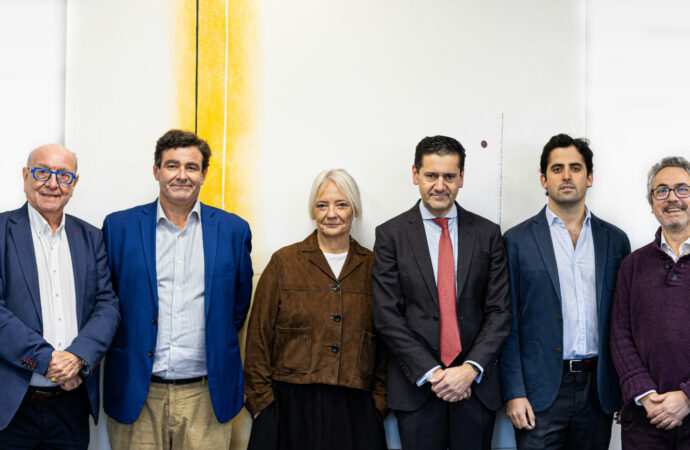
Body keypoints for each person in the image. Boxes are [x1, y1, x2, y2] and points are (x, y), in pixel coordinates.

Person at [102, 129, 253, 449]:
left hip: (206, 395)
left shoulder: (233, 230)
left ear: (204, 175)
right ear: (156, 170)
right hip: (138, 392)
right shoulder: (119, 228)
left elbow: (238, 307)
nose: (181, 175)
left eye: (191, 167)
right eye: (172, 165)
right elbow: (106, 303)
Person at [372, 135, 512, 450]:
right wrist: (433, 373)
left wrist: (470, 369)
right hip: (417, 389)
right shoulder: (391, 235)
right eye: (431, 175)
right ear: (415, 175)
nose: (440, 185)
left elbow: (499, 312)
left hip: (475, 390)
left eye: (449, 176)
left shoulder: (488, 234)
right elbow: (387, 316)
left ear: (461, 177)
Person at [500, 133, 630, 449]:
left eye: (576, 167)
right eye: (557, 169)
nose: (567, 176)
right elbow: (507, 322)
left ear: (590, 177)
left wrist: (625, 387)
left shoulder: (615, 240)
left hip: (598, 389)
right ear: (544, 180)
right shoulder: (516, 241)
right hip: (539, 392)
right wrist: (514, 392)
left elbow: (624, 322)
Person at [244, 169, 387, 450]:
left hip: (355, 409)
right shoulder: (284, 263)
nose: (331, 214)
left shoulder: (375, 267)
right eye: (322, 205)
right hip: (289, 408)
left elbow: (387, 341)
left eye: (341, 204)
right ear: (313, 210)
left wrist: (379, 403)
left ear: (355, 210)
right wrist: (262, 404)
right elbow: (258, 338)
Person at [0, 145, 120, 448]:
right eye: (42, 172)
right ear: (25, 176)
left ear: (74, 183)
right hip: (12, 406)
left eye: (63, 176)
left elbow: (107, 306)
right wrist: (47, 360)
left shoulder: (91, 237)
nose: (52, 183)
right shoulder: (1, 231)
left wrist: (77, 357)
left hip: (71, 402)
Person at [610, 156, 690, 449]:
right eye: (662, 190)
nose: (672, 198)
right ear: (651, 202)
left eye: (682, 189)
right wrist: (645, 394)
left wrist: (687, 397)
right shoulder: (632, 265)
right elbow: (619, 335)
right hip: (646, 418)